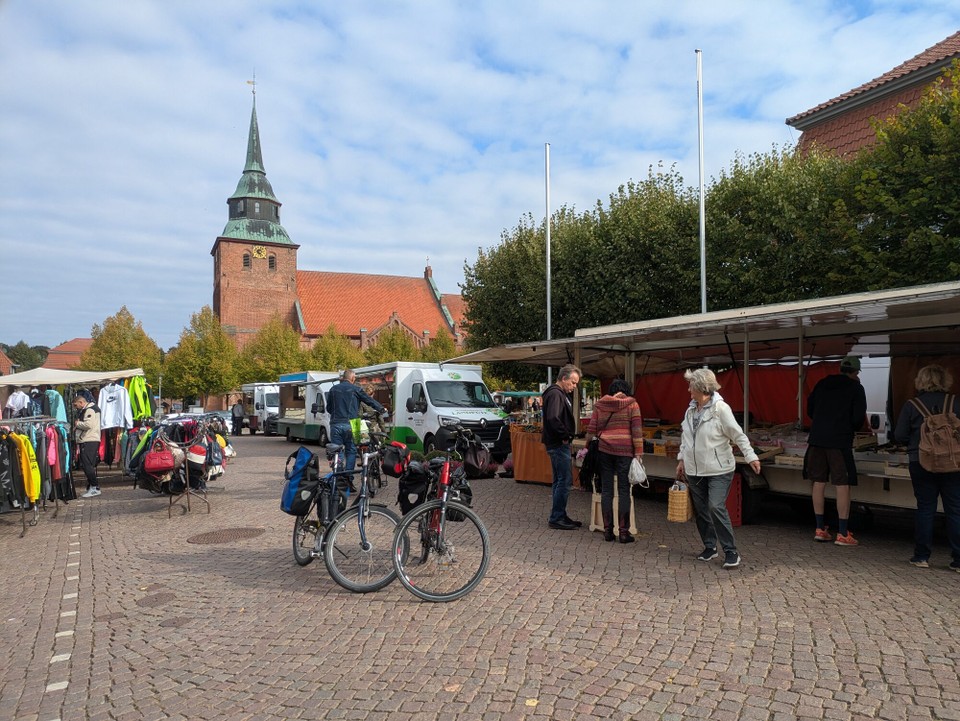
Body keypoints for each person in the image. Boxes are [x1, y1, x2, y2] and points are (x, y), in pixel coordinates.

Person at [676, 368, 761, 569]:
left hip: (719, 470)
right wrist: (681, 460)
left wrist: (751, 457)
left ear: (700, 387)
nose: (688, 390)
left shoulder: (721, 409)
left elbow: (738, 435)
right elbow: (685, 439)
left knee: (715, 506)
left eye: (691, 386)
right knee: (701, 510)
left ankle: (731, 551)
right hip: (694, 471)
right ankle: (709, 546)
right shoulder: (690, 411)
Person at [893, 364, 960, 572]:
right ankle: (958, 559)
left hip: (921, 463)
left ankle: (921, 556)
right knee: (955, 510)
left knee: (925, 508)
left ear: (921, 381)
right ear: (945, 380)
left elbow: (899, 436)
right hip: (954, 463)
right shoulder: (956, 402)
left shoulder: (912, 405)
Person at [806, 355, 867, 547]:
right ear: (856, 372)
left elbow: (810, 410)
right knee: (842, 484)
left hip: (816, 440)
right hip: (839, 442)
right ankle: (842, 532)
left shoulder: (822, 383)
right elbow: (858, 417)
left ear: (840, 368)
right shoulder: (856, 388)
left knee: (818, 482)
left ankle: (819, 529)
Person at [584, 378, 644, 543]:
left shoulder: (600, 405)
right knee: (624, 491)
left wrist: (587, 444)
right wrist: (638, 453)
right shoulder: (633, 405)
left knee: (607, 490)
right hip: (625, 452)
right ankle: (624, 533)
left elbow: (591, 429)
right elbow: (637, 431)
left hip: (604, 451)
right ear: (626, 390)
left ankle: (608, 532)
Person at [542, 364, 582, 530]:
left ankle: (559, 514)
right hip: (558, 444)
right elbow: (553, 418)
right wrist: (565, 435)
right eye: (572, 382)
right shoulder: (556, 394)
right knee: (564, 480)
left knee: (560, 480)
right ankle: (557, 517)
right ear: (564, 378)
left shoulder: (557, 393)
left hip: (557, 442)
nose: (574, 386)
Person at [327, 369, 387, 473]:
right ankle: (348, 478)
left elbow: (328, 408)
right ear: (353, 378)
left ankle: (339, 477)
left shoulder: (333, 389)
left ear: (343, 378)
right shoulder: (356, 389)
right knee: (351, 451)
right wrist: (381, 408)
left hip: (335, 424)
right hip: (353, 423)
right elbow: (369, 400)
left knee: (337, 451)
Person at [73, 393, 102, 498]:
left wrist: (77, 424)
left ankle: (95, 487)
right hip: (90, 439)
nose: (76, 408)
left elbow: (88, 425)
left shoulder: (89, 410)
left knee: (87, 465)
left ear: (81, 402)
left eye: (76, 405)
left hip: (89, 439)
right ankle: (92, 487)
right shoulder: (92, 409)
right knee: (88, 464)